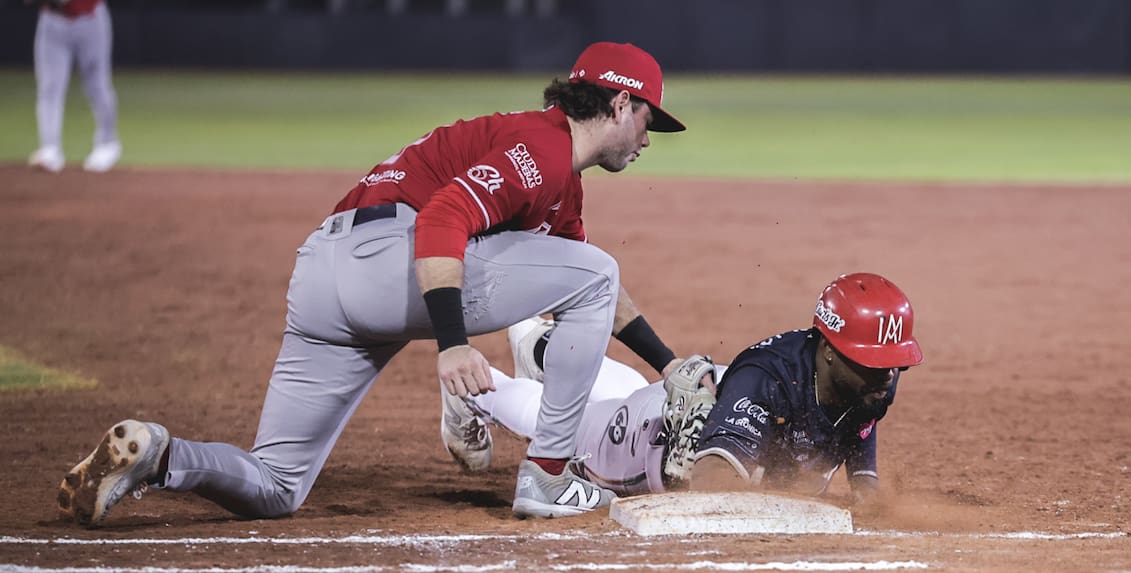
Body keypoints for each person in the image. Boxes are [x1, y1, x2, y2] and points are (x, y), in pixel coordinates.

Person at [58, 41, 692, 526]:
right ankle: (550, 475)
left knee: (277, 486)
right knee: (594, 271)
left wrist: (668, 366)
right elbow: (445, 218)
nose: (647, 138)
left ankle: (160, 456)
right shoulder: (541, 149)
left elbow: (590, 287)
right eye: (647, 120)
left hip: (324, 273)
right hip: (395, 261)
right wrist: (452, 344)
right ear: (618, 104)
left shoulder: (559, 180)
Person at [469, 273, 924, 512]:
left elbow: (858, 424)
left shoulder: (867, 383)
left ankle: (539, 346)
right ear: (828, 350)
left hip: (689, 397)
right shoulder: (767, 378)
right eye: (871, 361)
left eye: (893, 363)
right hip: (643, 442)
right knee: (557, 423)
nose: (886, 376)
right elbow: (710, 484)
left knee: (626, 386)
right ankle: (479, 388)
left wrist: (866, 485)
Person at [26, 0, 122, 173]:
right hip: (52, 21)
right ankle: (50, 148)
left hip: (89, 19)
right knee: (49, 86)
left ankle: (107, 144)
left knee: (97, 85)